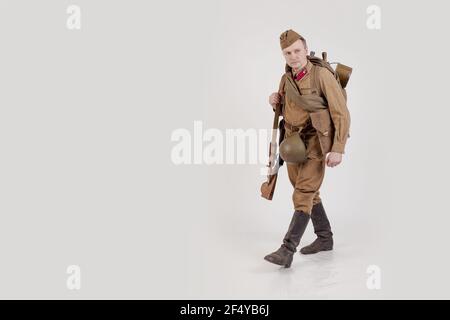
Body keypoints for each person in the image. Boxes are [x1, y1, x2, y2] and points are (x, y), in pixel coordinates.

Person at [264, 29, 351, 268]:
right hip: (292, 143)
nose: (293, 56)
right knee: (307, 191)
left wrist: (338, 148)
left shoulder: (321, 75)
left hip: (315, 142)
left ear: (305, 48)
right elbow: (289, 108)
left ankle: (287, 249)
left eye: (297, 51)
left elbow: (341, 112)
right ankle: (325, 238)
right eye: (287, 53)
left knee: (303, 193)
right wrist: (275, 101)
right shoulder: (287, 78)